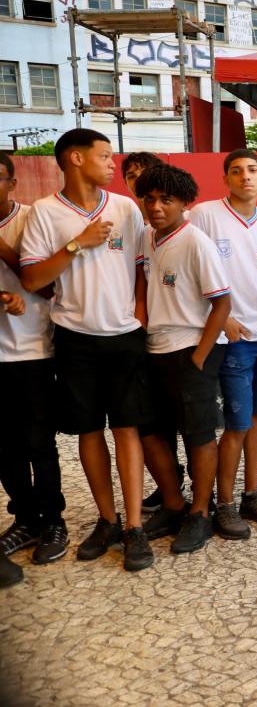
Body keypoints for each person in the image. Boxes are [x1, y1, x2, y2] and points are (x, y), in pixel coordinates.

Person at [19, 129, 155, 570]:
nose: (113, 163)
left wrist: (137, 315)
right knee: (89, 430)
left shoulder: (125, 207)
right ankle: (107, 519)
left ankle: (134, 527)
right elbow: (33, 280)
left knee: (128, 428)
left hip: (124, 336)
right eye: (105, 155)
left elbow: (140, 269)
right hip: (74, 337)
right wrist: (78, 243)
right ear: (75, 158)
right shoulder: (44, 212)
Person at [188, 149, 257, 541]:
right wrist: (220, 316)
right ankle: (225, 503)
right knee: (236, 424)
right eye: (236, 171)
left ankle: (252, 493)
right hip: (234, 338)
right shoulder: (204, 215)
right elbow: (189, 270)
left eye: (252, 170)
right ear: (226, 179)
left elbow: (256, 272)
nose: (245, 177)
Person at [134, 164, 231, 554]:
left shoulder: (196, 242)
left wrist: (199, 358)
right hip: (154, 350)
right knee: (152, 432)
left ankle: (201, 512)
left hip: (192, 349)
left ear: (183, 203)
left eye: (166, 200)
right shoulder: (146, 238)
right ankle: (174, 504)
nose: (156, 206)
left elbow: (222, 303)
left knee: (199, 434)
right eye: (150, 199)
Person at [0, 151, 66, 568]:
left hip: (32, 349)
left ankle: (53, 520)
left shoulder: (30, 220)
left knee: (39, 442)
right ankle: (24, 518)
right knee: (5, 446)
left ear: (12, 182)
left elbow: (46, 289)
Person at [120, 149, 184, 513]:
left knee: (183, 418)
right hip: (137, 333)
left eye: (145, 171)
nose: (137, 178)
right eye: (131, 174)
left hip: (175, 335)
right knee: (152, 418)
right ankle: (168, 484)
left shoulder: (174, 222)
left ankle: (195, 493)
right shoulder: (127, 220)